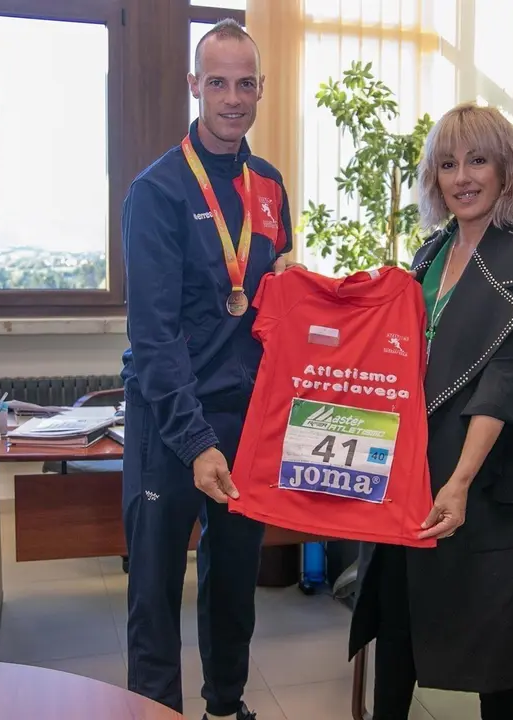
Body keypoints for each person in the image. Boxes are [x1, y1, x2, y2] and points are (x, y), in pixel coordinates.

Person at [348, 102, 513, 720]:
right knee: (397, 620)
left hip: (486, 477)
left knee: (493, 647)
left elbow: (510, 378)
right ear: (434, 179)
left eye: (478, 160)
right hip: (413, 472)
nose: (463, 177)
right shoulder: (426, 256)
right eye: (448, 164)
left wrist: (461, 480)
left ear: (506, 169)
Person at [120, 18, 300, 720]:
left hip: (247, 420)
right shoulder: (157, 191)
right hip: (172, 423)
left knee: (231, 583)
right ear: (194, 86)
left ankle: (226, 706)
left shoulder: (270, 186)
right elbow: (154, 336)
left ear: (261, 89)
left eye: (245, 83)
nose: (233, 97)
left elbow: (269, 304)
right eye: (217, 82)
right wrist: (196, 442)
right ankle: (155, 711)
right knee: (157, 590)